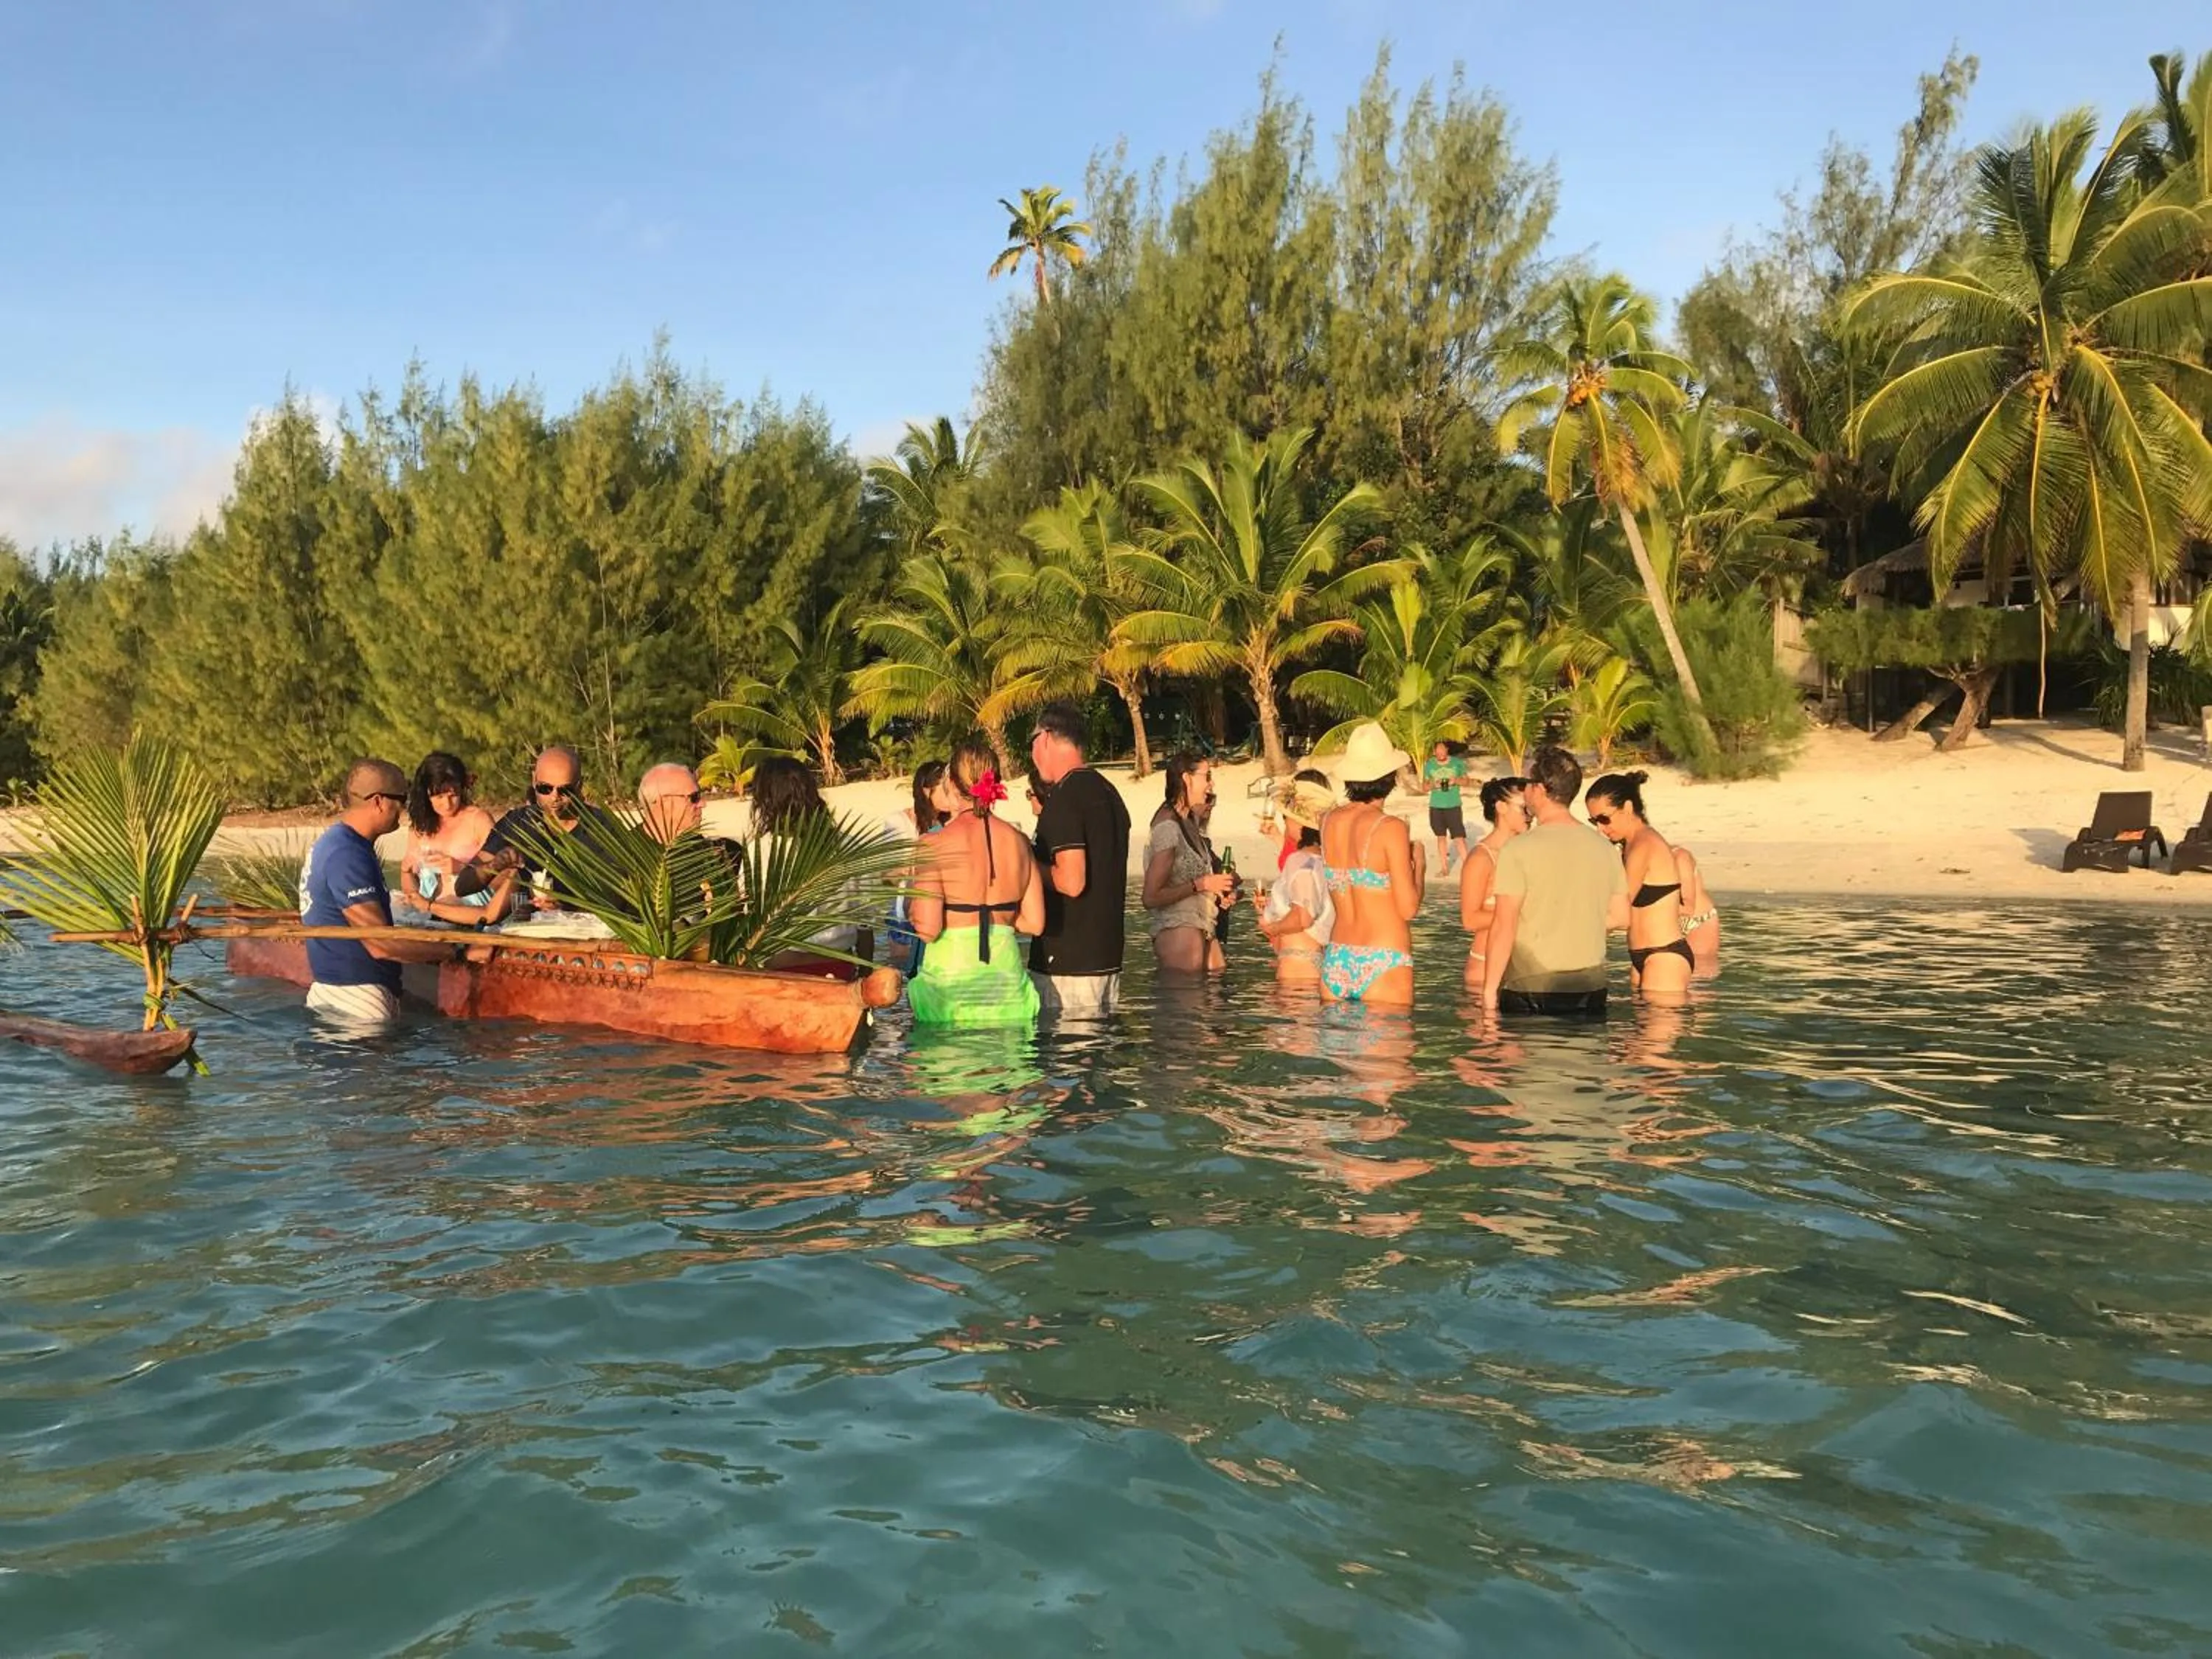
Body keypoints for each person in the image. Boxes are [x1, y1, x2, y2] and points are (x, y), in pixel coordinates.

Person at [299, 759, 468, 1027]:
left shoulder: (333, 843)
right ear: (378, 801)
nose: (404, 808)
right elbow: (380, 944)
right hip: (359, 998)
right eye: (401, 798)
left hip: (330, 990)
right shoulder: (348, 854)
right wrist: (456, 951)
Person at [907, 737, 1045, 1027]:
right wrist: (996, 917)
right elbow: (1035, 924)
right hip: (1007, 989)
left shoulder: (932, 844)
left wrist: (915, 908)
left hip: (950, 991)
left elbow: (929, 930)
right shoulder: (1019, 842)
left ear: (953, 786)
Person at [1481, 746, 1627, 1018]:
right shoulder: (1605, 847)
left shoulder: (1519, 849)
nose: (1525, 791)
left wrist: (1489, 995)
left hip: (1532, 985)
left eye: (1526, 784)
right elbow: (1621, 916)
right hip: (1590, 987)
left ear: (1539, 789)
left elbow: (1504, 925)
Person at [1027, 703, 1131, 1018]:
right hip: (1107, 956)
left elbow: (1072, 882)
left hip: (1068, 964)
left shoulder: (1066, 796)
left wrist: (1028, 865)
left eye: (1031, 743)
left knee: (1065, 1061)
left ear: (1044, 738)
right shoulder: (1110, 793)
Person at [1318, 723, 1424, 1005]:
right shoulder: (1391, 828)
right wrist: (1419, 866)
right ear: (1389, 776)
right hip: (1384, 956)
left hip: (1338, 955)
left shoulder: (1326, 821)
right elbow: (1408, 908)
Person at [747, 755, 874, 975]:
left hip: (782, 970)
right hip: (837, 968)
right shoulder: (847, 845)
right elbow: (865, 923)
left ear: (765, 800)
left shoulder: (761, 850)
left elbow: (750, 920)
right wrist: (864, 978)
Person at [1586, 770, 1694, 1004]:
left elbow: (1620, 911)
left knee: (1649, 1040)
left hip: (1664, 956)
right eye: (1594, 821)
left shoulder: (1644, 844)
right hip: (1644, 958)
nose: (1600, 829)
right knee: (1635, 1040)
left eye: (1604, 819)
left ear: (1626, 808)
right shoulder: (1630, 846)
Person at [468, 744, 616, 907]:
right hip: (520, 925)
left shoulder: (603, 829)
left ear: (579, 786)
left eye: (565, 790)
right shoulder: (518, 823)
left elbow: (619, 898)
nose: (555, 797)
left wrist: (566, 905)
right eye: (545, 788)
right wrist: (495, 864)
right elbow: (464, 886)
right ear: (534, 780)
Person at [393, 751, 518, 925]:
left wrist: (463, 868)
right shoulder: (419, 826)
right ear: (425, 793)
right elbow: (412, 889)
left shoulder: (478, 820)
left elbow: (505, 875)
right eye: (439, 796)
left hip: (472, 915)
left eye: (453, 795)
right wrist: (406, 871)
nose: (447, 804)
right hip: (430, 917)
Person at [1142, 752, 1235, 975]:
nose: (1211, 784)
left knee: (1216, 993)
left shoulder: (1189, 823)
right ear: (1187, 779)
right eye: (1207, 776)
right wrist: (1201, 884)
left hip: (1204, 925)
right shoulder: (1168, 826)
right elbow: (1150, 897)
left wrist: (1219, 891)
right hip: (1178, 929)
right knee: (1186, 1005)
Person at [1252, 771, 1335, 987]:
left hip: (1298, 964)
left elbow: (1303, 917)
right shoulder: (1325, 859)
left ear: (1298, 822)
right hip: (1316, 960)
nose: (1285, 824)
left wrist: (1274, 928)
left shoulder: (1300, 860)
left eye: (1286, 818)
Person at [885, 761, 959, 973]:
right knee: (908, 972)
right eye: (944, 788)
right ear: (927, 791)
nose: (950, 793)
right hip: (905, 906)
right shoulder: (899, 822)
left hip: (945, 905)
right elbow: (887, 877)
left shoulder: (955, 823)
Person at [1459, 776, 1531, 992]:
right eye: (1523, 808)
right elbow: (1470, 919)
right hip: (1485, 966)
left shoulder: (1527, 853)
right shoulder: (1481, 858)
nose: (1530, 815)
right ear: (1501, 807)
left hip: (1524, 968)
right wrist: (1520, 916)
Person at [1674, 845, 1722, 975]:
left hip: (1697, 921)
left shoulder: (1679, 857)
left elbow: (1688, 906)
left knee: (1698, 974)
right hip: (1669, 923)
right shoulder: (1636, 860)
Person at [1423, 740, 1471, 870]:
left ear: (1447, 750)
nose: (1440, 753)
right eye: (1437, 751)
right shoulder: (1429, 765)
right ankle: (1444, 868)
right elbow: (1424, 787)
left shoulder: (1457, 763)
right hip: (1436, 806)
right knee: (1441, 837)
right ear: (1434, 752)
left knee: (1459, 837)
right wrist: (1434, 785)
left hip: (1453, 804)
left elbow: (1467, 782)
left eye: (1442, 750)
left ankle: (1468, 866)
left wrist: (1455, 780)